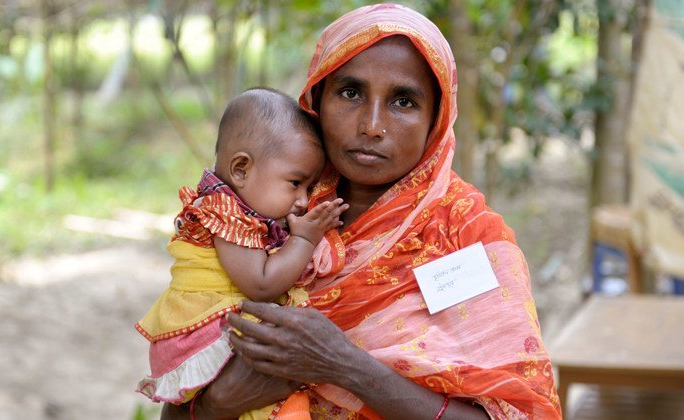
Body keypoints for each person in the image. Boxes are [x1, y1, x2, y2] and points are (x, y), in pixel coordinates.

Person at [162, 4, 562, 419]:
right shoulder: (265, 210)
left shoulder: (466, 235)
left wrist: (343, 365)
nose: (372, 125)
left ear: (436, 121)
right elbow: (175, 386)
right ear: (317, 100)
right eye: (350, 93)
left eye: (403, 101)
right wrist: (219, 403)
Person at [137, 87, 347, 418]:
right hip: (208, 336)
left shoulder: (242, 207)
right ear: (240, 170)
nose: (304, 201)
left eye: (308, 188)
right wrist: (305, 240)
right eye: (296, 183)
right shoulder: (226, 214)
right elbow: (261, 285)